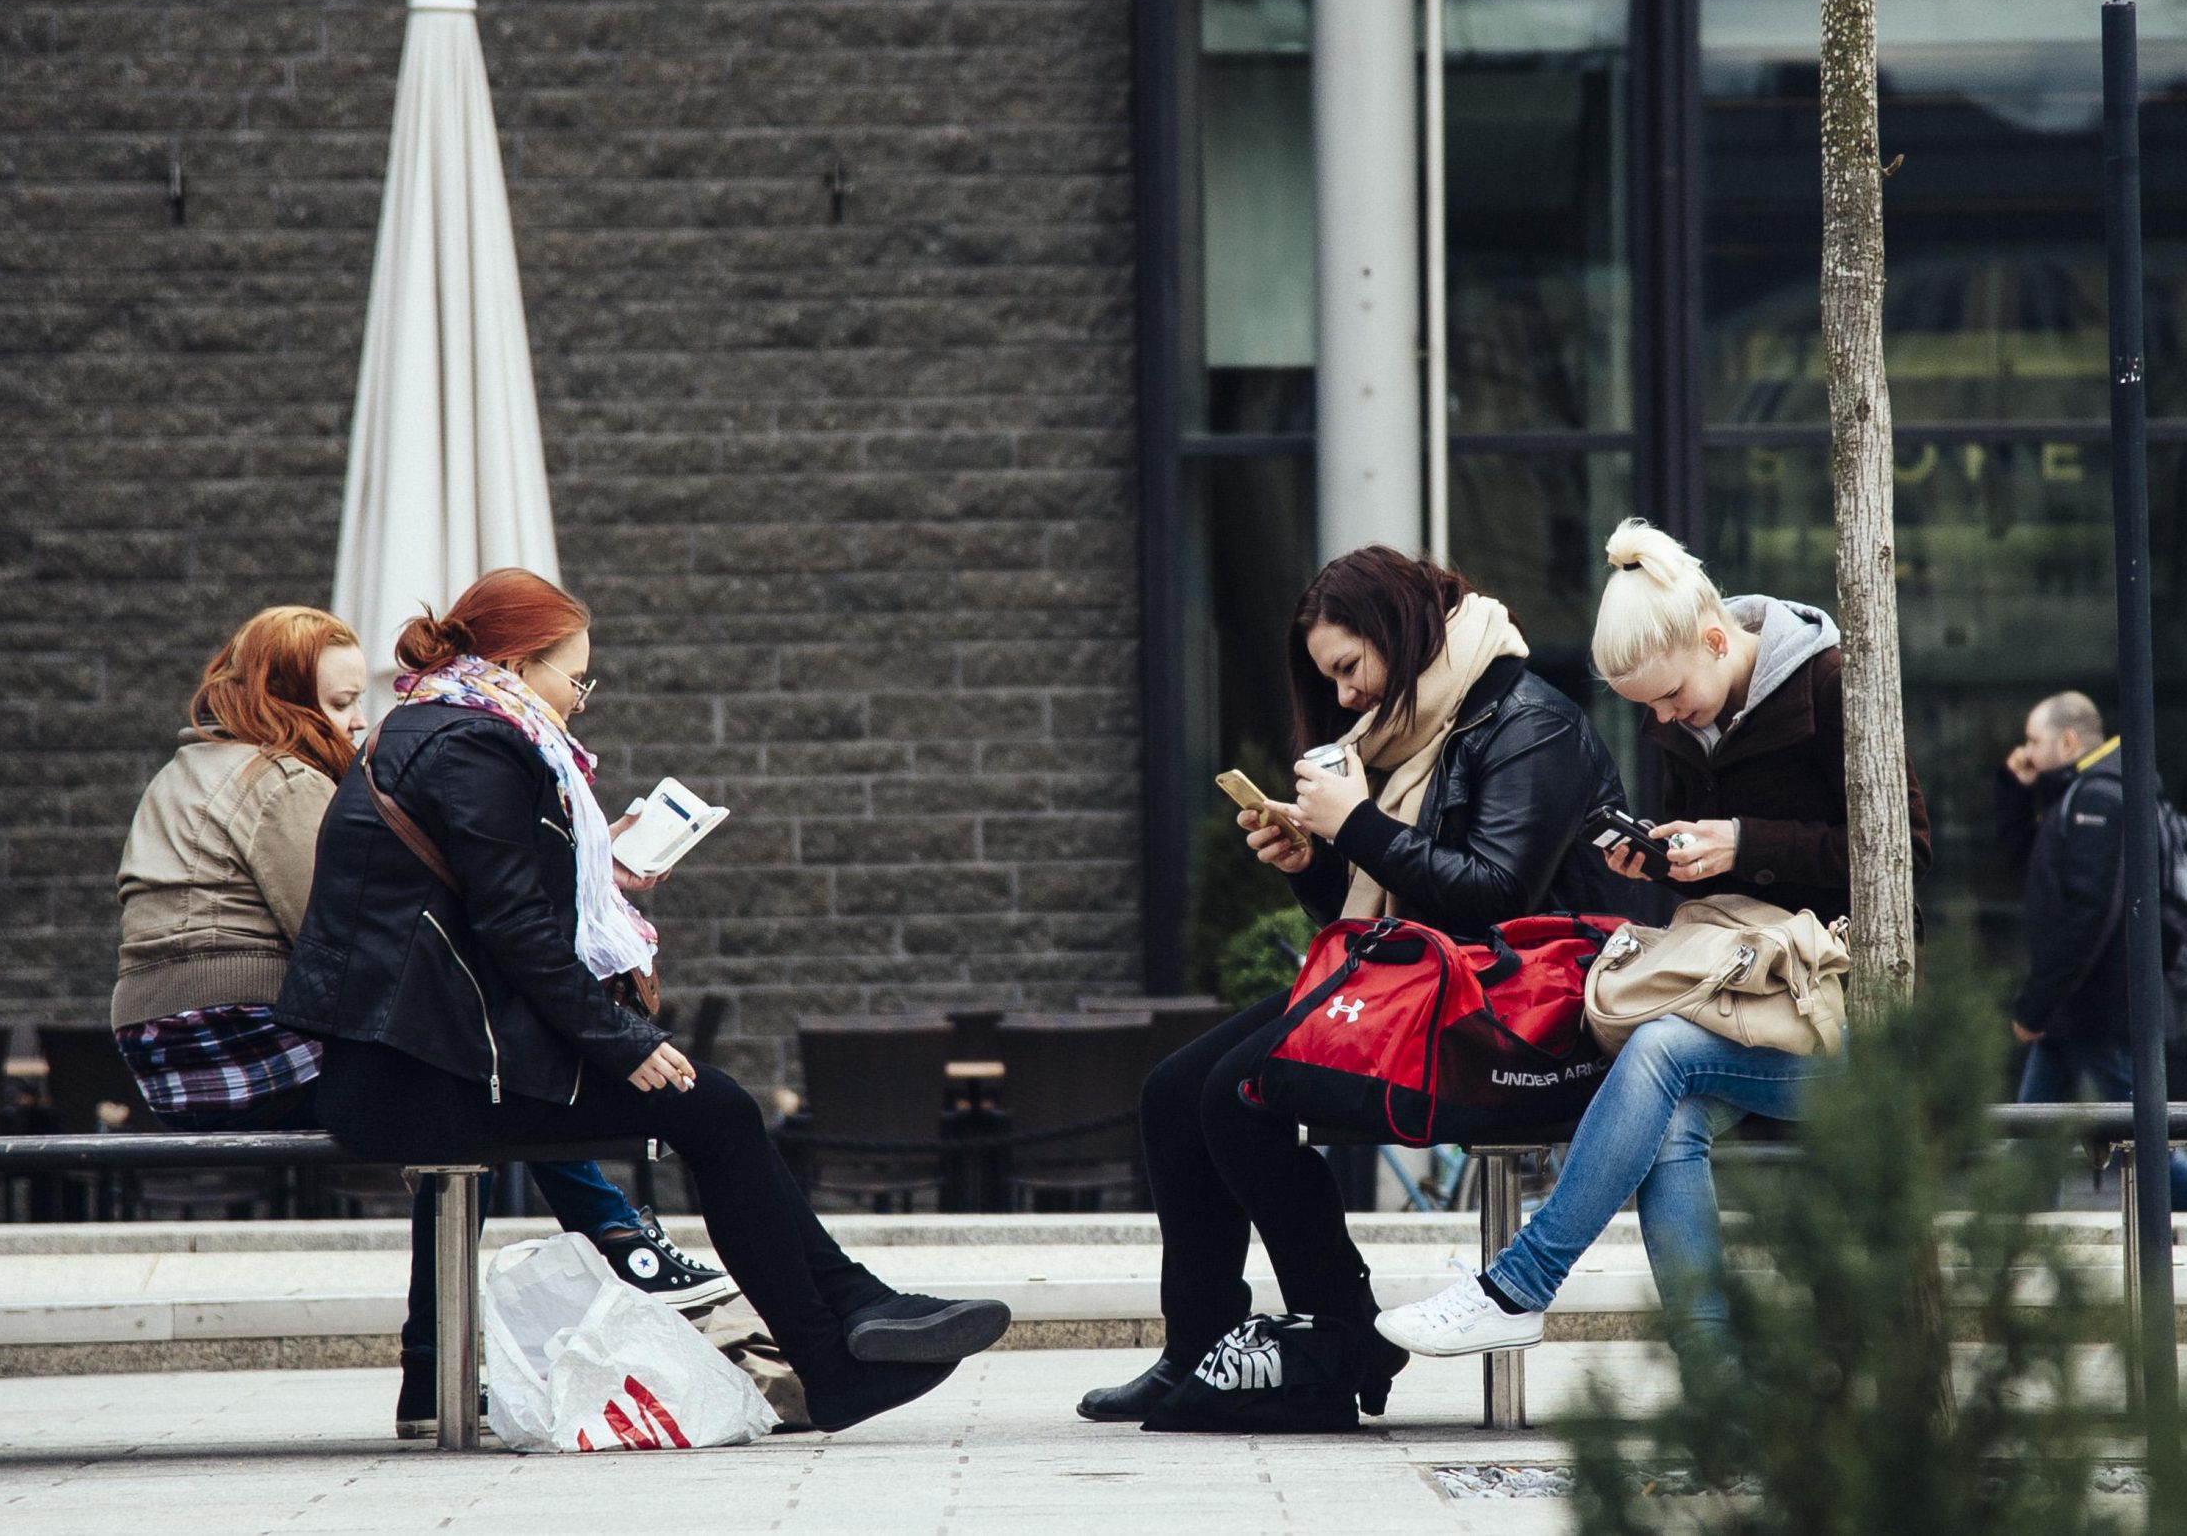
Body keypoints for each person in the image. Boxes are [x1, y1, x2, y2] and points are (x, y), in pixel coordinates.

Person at [276, 568, 1009, 1434]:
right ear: (517, 659)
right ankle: (842, 1337)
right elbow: (514, 925)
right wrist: (618, 1038)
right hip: (429, 1072)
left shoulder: (442, 726)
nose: (581, 700)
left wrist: (599, 864)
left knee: (718, 1108)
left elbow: (492, 893)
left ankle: (849, 1324)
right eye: (574, 677)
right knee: (719, 1108)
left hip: (432, 1055)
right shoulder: (474, 742)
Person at [111, 605, 732, 1442]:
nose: (360, 718)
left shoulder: (189, 769)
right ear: (282, 696)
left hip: (170, 1047)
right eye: (336, 704)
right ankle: (606, 1249)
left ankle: (456, 1354)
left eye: (358, 698)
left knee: (466, 1084)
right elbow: (343, 935)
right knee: (465, 1078)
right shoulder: (280, 781)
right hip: (238, 1043)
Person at [1078, 547, 1634, 1424]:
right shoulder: (1411, 737)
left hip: (1528, 1016)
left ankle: (1340, 1337)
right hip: (1437, 990)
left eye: (1349, 667)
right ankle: (1198, 1344)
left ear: (1400, 632)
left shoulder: (1533, 723)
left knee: (1240, 1090)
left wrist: (1360, 824)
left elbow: (1496, 896)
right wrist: (1313, 862)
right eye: (1329, 676)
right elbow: (1380, 919)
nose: (1343, 696)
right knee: (1172, 1090)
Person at [1374, 518, 1932, 1364]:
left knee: (1664, 1050)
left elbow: (1907, 860)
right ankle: (1718, 1392)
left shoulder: (1832, 684)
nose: (1667, 718)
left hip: (1850, 1001)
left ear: (1716, 639)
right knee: (1668, 1117)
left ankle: (1517, 1286)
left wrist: (1745, 841)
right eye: (1650, 711)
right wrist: (1665, 862)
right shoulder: (1679, 712)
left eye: (1677, 701)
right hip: (1746, 994)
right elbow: (1719, 893)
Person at [1998, 691, 2187, 1212]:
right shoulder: (2082, 793)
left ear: (2069, 740)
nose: (2027, 752)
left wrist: (2037, 1003)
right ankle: (2022, 1247)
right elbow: (2026, 860)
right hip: (2080, 1011)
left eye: (2034, 741)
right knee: (2033, 1133)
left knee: (2147, 1140)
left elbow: (2088, 914)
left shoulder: (2100, 798)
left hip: (2101, 1010)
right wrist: (2014, 788)